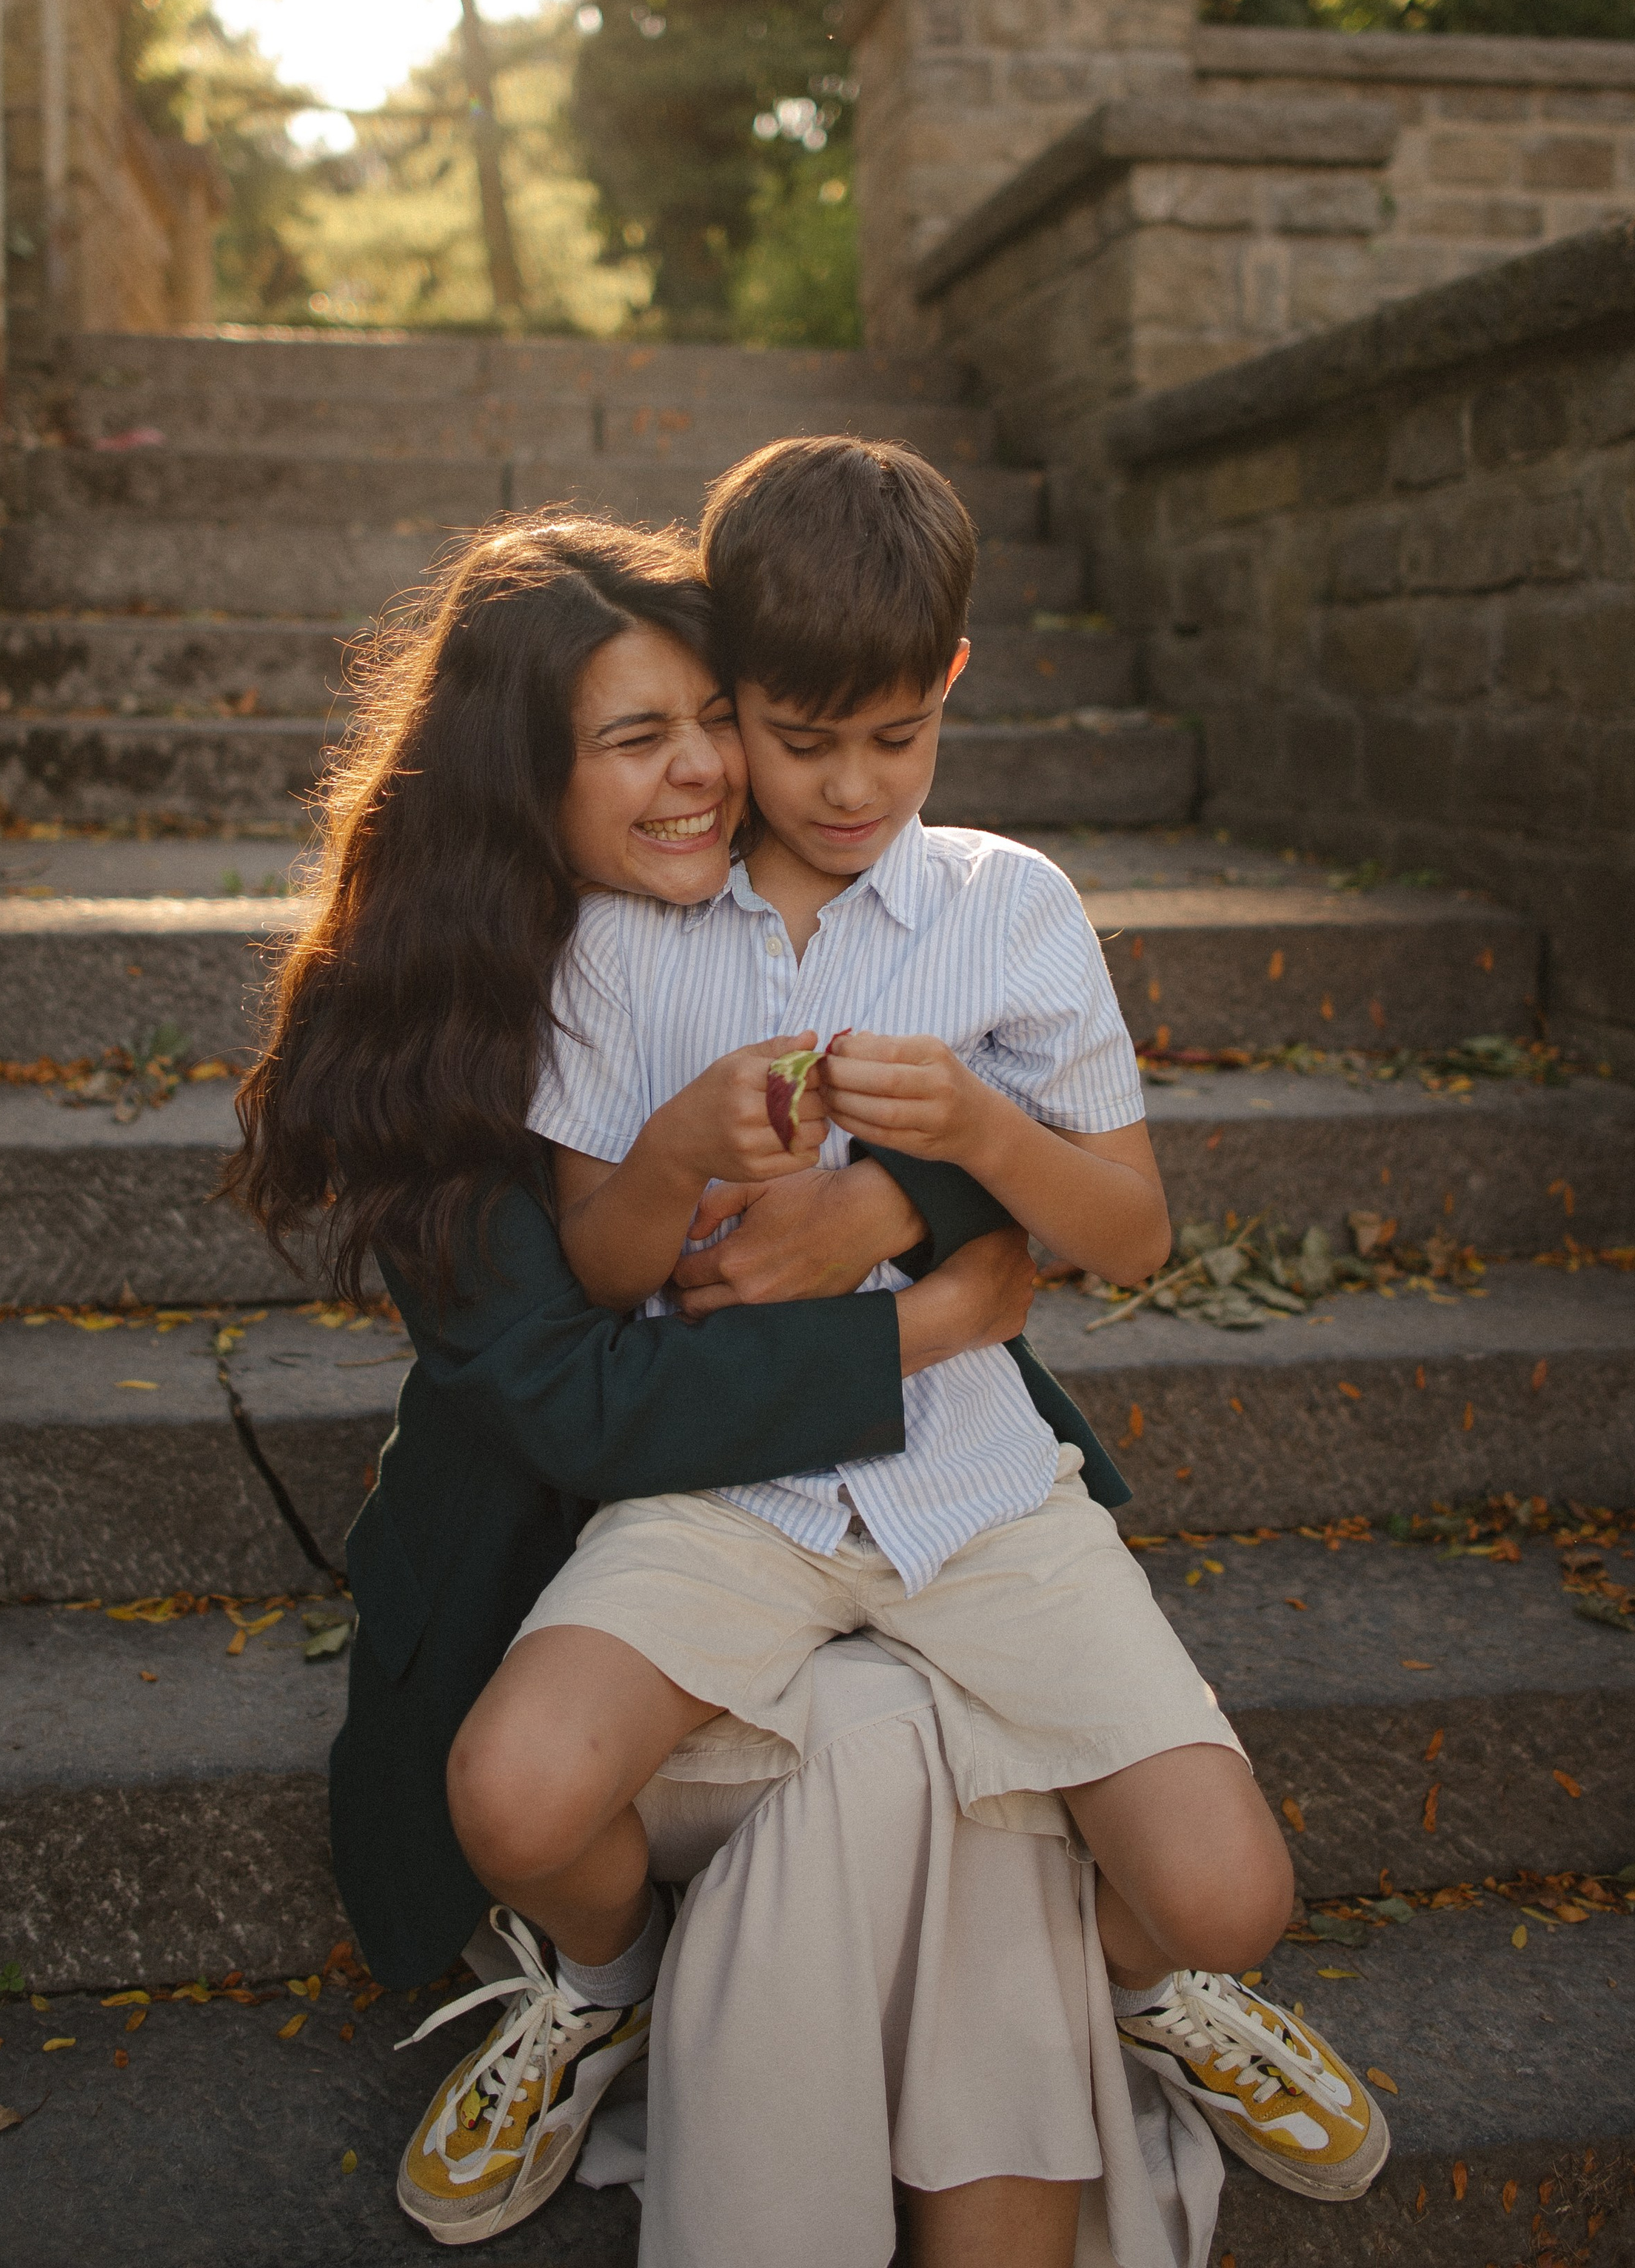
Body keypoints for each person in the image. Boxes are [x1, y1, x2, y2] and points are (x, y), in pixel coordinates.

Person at [439, 442, 1388, 2238]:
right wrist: (670, 1149)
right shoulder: (622, 938)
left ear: (950, 682)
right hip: (726, 1481)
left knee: (1226, 1893)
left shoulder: (1003, 907)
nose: (849, 784)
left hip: (969, 1476)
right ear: (728, 690)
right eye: (801, 739)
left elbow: (1128, 1228)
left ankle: (1139, 1992)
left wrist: (968, 1136)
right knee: (512, 1790)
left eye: (895, 736)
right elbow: (586, 1260)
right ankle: (602, 1982)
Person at [226, 516, 1108, 2255]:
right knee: (802, 1769)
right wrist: (926, 1317)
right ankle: (600, 1981)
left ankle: (1139, 1975)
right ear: (515, 781)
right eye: (638, 739)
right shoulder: (422, 1030)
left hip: (859, 1512)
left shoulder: (811, 889)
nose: (709, 769)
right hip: (574, 1551)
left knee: (927, 1762)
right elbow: (572, 1398)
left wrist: (903, 1195)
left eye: (716, 714)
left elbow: (992, 1072)